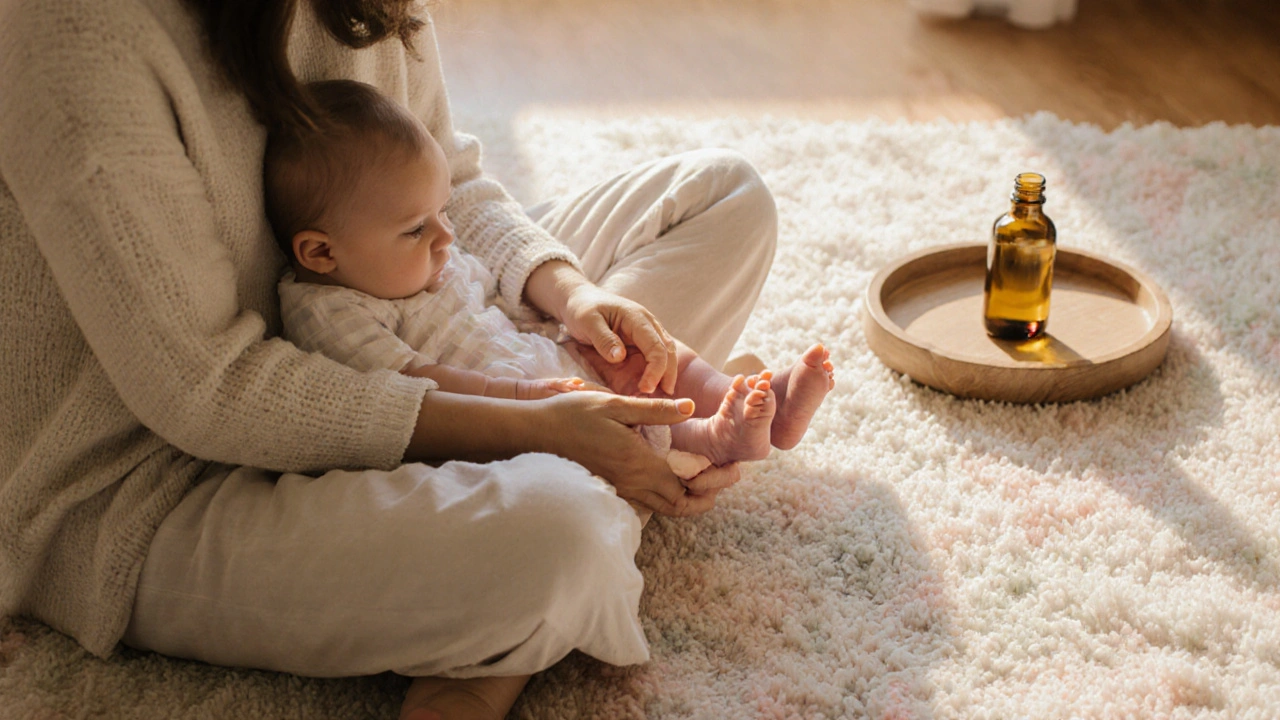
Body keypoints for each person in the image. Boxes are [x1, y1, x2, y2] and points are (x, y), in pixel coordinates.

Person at [0, 1, 782, 718]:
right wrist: (534, 426)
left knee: (724, 195)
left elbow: (448, 181)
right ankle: (619, 470)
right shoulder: (75, 31)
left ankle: (577, 506)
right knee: (558, 534)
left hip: (408, 296)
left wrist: (571, 294)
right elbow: (209, 391)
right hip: (159, 475)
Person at [268, 79, 836, 476]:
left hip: (526, 341)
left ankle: (731, 397)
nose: (446, 236)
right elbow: (419, 385)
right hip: (492, 411)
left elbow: (476, 230)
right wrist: (527, 399)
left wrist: (576, 304)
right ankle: (710, 440)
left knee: (650, 357)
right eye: (417, 229)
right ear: (321, 253)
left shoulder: (415, 243)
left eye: (442, 214)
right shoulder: (330, 313)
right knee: (606, 422)